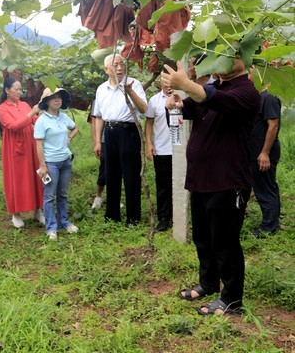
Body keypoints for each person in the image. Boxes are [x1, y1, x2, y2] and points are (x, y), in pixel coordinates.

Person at [162, 57, 260, 316]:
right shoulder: (217, 87)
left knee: (225, 242)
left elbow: (211, 98)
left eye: (228, 56)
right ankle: (208, 283)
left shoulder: (245, 91)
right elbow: (190, 109)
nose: (221, 63)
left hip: (227, 181)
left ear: (244, 58)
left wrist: (186, 83)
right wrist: (175, 103)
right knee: (203, 238)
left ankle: (231, 300)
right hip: (202, 178)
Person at [92, 54, 147, 226]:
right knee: (111, 174)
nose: (120, 68)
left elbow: (144, 108)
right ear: (107, 70)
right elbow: (98, 116)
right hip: (109, 132)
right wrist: (97, 141)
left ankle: (133, 217)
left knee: (131, 175)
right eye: (115, 65)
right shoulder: (101, 89)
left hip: (129, 132)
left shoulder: (134, 84)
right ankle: (112, 215)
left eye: (122, 64)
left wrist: (129, 91)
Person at [0, 77, 45, 228]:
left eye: (20, 89)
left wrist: (44, 115)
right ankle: (15, 213)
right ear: (6, 90)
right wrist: (32, 113)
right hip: (14, 148)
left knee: (35, 175)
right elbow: (13, 126)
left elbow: (34, 120)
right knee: (15, 179)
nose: (19, 91)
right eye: (15, 89)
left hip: (30, 144)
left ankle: (38, 210)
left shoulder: (24, 104)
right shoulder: (2, 108)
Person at [34, 88, 79, 240]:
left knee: (63, 194)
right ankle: (51, 228)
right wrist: (43, 166)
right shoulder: (42, 121)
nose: (57, 100)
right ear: (46, 102)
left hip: (65, 161)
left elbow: (75, 128)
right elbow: (39, 145)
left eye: (59, 97)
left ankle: (64, 222)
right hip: (51, 163)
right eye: (53, 98)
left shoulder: (64, 117)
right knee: (49, 196)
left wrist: (69, 138)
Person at [249, 86, 281, 236]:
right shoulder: (258, 98)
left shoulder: (269, 98)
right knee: (261, 186)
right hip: (254, 152)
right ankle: (270, 222)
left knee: (265, 188)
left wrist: (265, 153)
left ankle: (269, 227)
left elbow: (273, 125)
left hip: (263, 153)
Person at [145, 83, 174, 231]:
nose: (168, 84)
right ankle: (164, 217)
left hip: (182, 150)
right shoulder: (154, 101)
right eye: (164, 81)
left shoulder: (184, 97)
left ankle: (180, 214)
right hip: (162, 149)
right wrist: (149, 143)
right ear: (160, 83)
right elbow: (149, 123)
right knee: (163, 185)